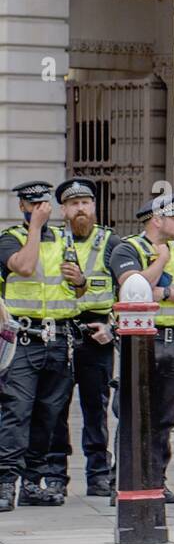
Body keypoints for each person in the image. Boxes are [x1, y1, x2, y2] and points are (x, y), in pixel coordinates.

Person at [109, 192, 174, 505]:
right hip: (140, 342)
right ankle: (124, 480)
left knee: (166, 415)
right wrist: (161, 261)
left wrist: (164, 291)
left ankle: (156, 479)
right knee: (133, 412)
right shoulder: (127, 247)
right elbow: (133, 287)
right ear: (157, 219)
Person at [0, 181, 77, 510]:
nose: (39, 209)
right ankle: (5, 484)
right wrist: (35, 227)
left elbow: (79, 289)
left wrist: (80, 280)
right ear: (23, 207)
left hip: (58, 338)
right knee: (16, 413)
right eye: (32, 205)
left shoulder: (64, 239)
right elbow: (26, 266)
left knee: (49, 415)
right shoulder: (10, 239)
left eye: (42, 204)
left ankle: (32, 482)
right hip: (24, 340)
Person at [45, 179, 119, 498]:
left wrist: (112, 328)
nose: (80, 209)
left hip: (96, 333)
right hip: (60, 332)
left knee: (95, 407)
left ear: (94, 207)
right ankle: (55, 475)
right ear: (63, 210)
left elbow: (129, 291)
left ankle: (98, 473)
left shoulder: (111, 243)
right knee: (54, 407)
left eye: (85, 203)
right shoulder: (52, 242)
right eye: (74, 204)